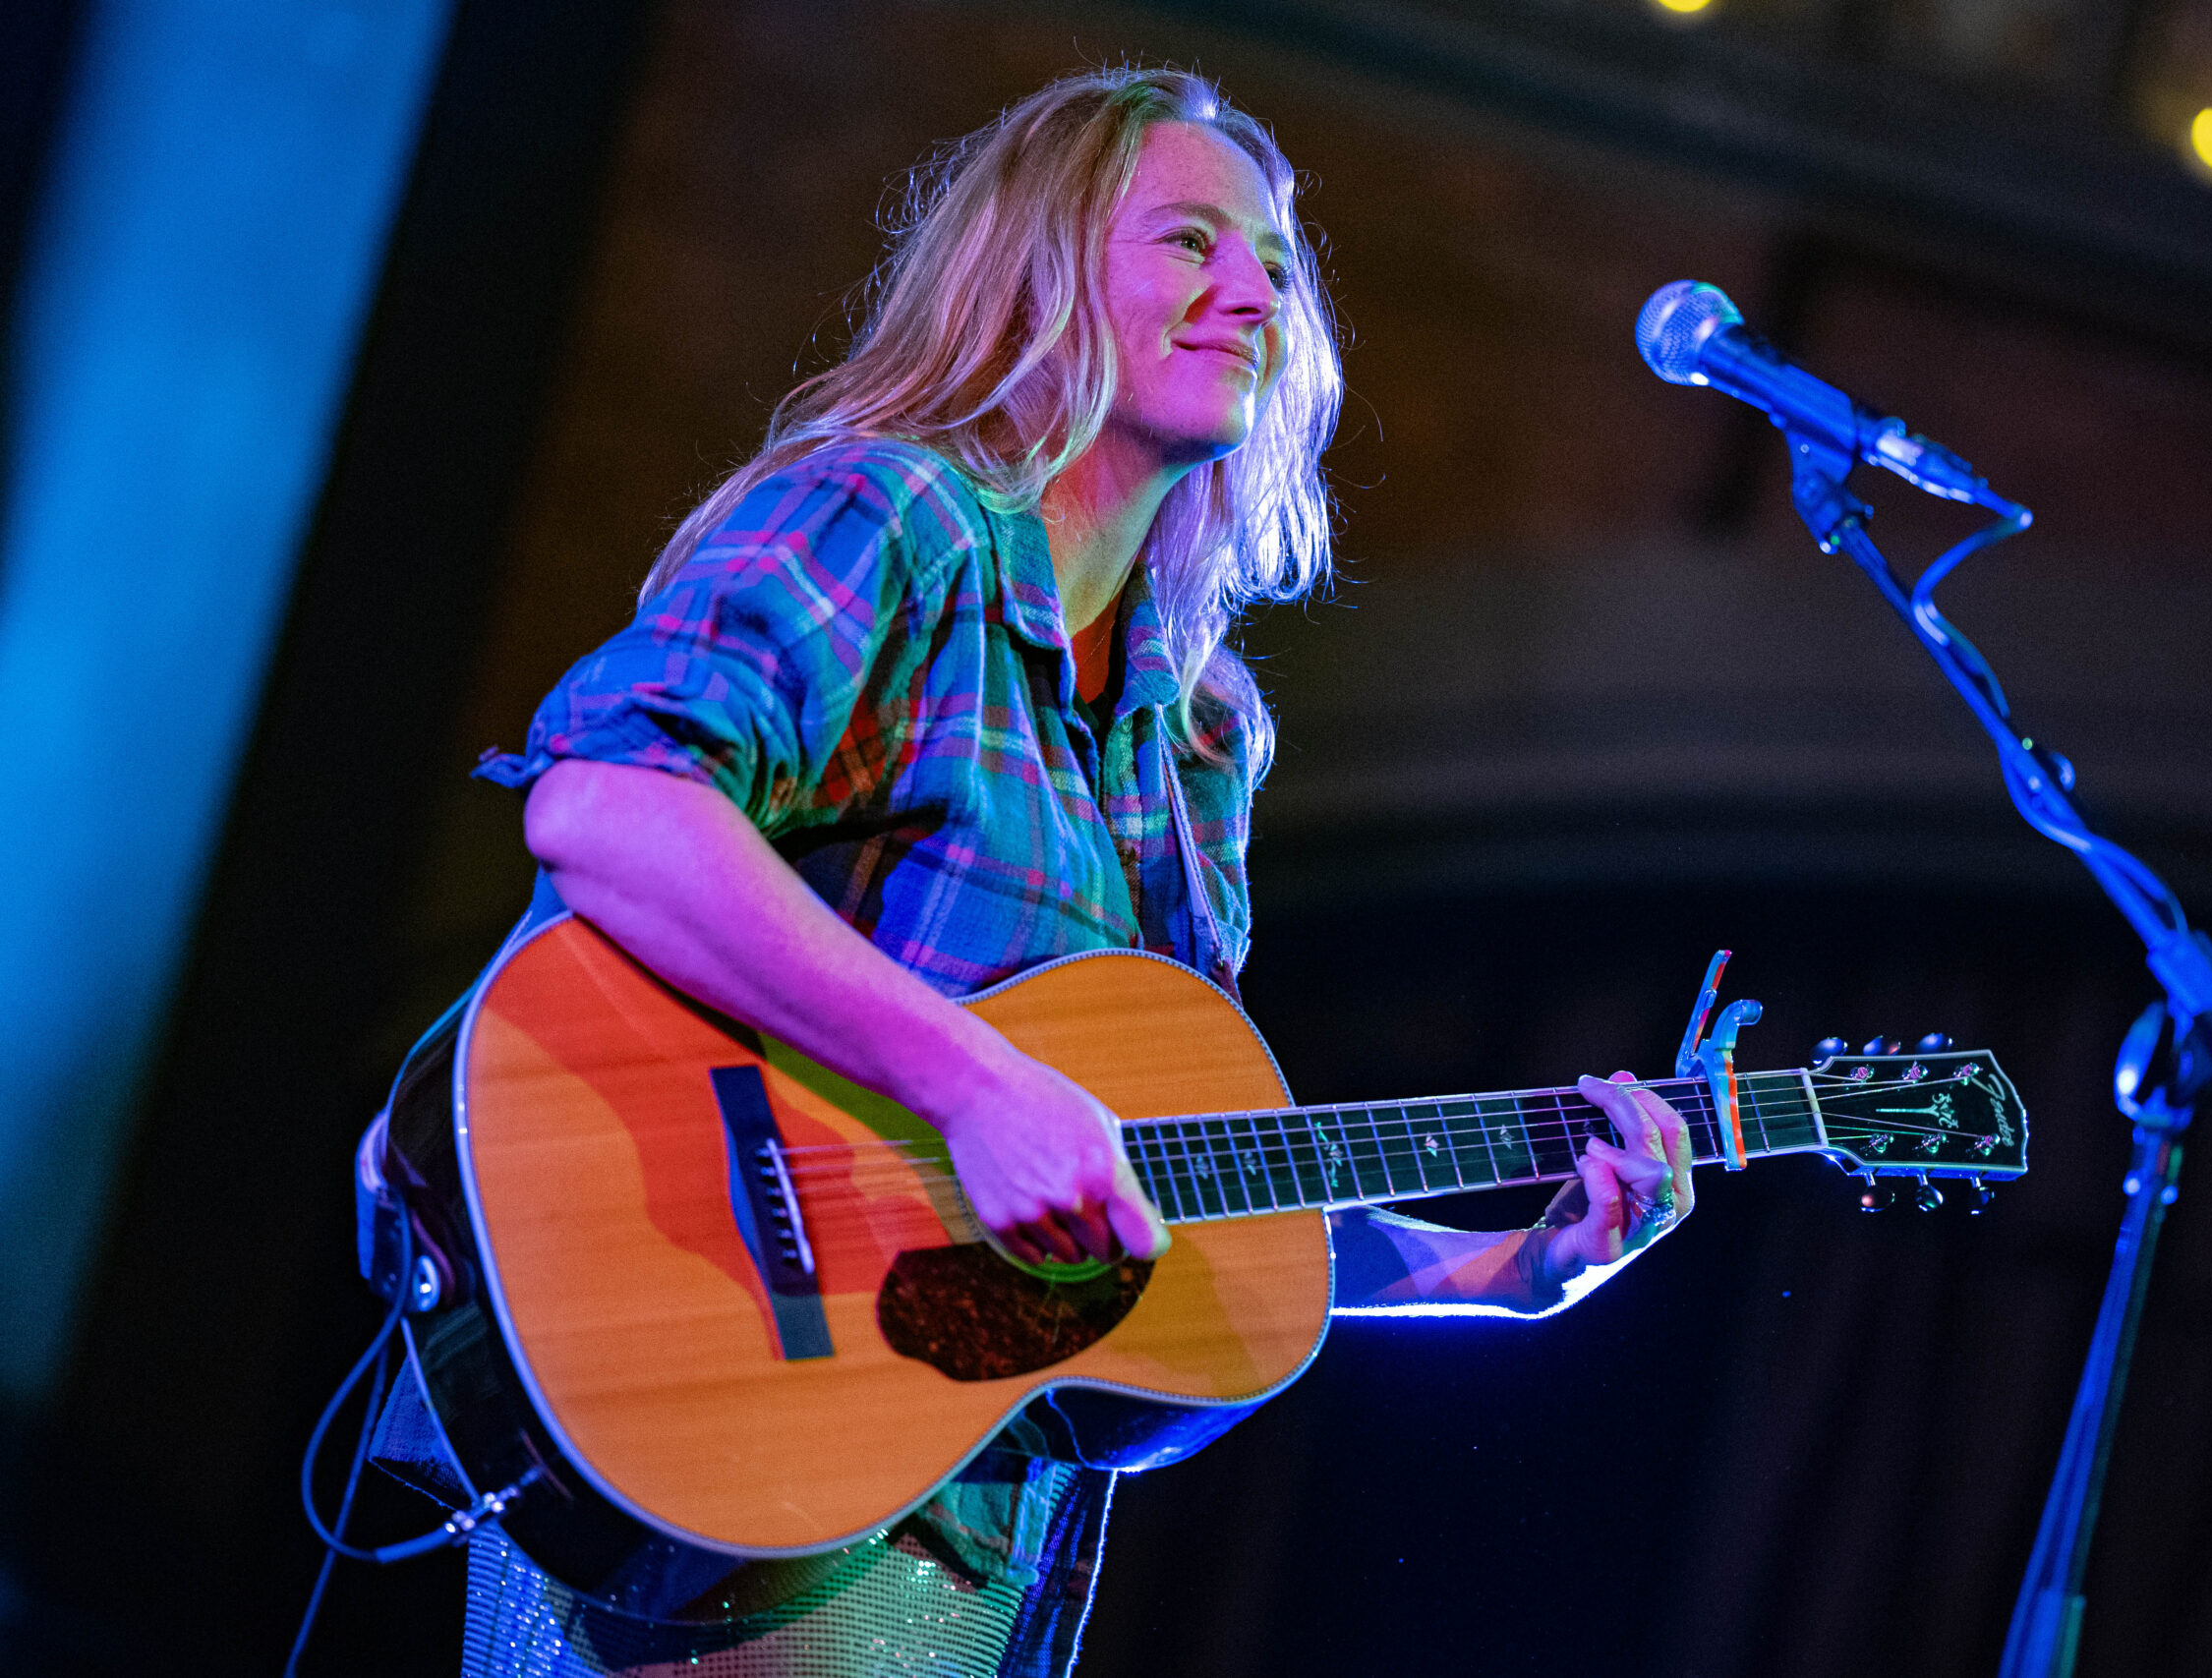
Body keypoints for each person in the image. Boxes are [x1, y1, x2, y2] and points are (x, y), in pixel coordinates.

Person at [430, 65, 1696, 1677]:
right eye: (1190, 243)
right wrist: (971, 1087)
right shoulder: (898, 518)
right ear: (1039, 270)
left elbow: (1160, 1175)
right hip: (725, 1438)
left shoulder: (1198, 737)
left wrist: (1507, 1274)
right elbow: (607, 806)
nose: (1256, 290)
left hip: (965, 1533)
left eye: (1278, 263)